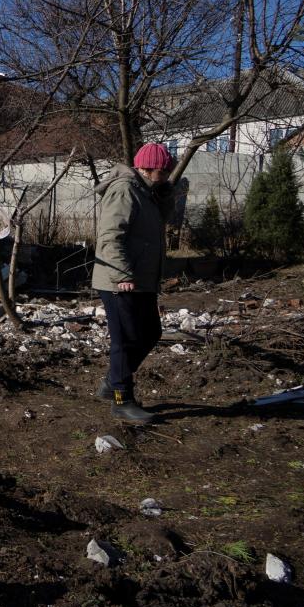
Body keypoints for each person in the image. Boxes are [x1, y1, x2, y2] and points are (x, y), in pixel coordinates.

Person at [91, 143, 175, 423]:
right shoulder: (125, 189)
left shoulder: (146, 192)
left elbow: (159, 222)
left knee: (151, 332)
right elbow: (110, 236)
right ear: (151, 169)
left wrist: (164, 195)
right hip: (120, 281)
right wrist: (122, 274)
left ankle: (114, 378)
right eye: (164, 172)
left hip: (142, 279)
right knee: (125, 341)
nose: (166, 177)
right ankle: (121, 399)